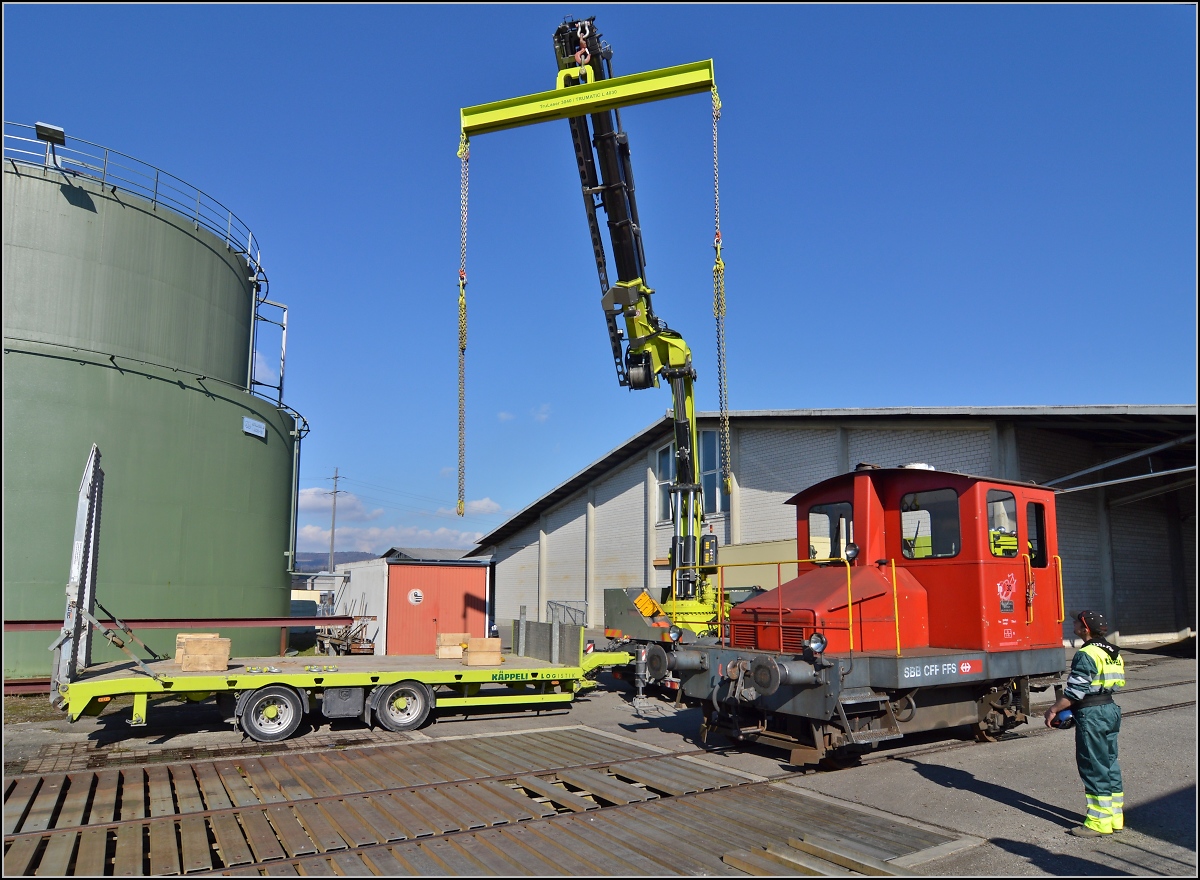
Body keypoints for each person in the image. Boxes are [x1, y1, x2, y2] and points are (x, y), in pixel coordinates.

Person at [1044, 610, 1126, 837]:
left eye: (1076, 623)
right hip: (1110, 709)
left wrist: (1053, 709)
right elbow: (1118, 682)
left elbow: (1075, 692)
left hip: (1093, 713)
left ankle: (1098, 823)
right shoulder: (1112, 652)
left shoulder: (1087, 653)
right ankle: (1114, 817)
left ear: (1085, 629)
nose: (1073, 625)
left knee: (1093, 765)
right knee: (1109, 763)